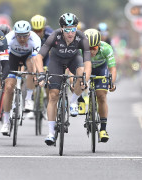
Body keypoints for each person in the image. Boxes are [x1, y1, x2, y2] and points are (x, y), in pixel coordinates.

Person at [33, 13, 91, 145]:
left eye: (73, 29)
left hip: (73, 60)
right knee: (53, 95)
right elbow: (38, 57)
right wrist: (41, 73)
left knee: (81, 73)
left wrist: (84, 80)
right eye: (67, 29)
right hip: (56, 61)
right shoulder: (55, 36)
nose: (70, 33)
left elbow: (87, 61)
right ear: (61, 28)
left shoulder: (82, 37)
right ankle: (51, 133)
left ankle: (73, 102)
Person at [0, 20, 42, 135]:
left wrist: (36, 75)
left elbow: (35, 59)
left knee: (31, 68)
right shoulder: (8, 38)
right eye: (19, 36)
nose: (22, 39)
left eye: (25, 36)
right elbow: (4, 59)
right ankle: (6, 121)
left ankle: (28, 98)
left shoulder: (35, 39)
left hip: (27, 57)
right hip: (12, 57)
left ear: (29, 34)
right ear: (15, 34)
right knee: (9, 87)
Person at [83, 29, 117, 142]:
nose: (92, 51)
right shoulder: (80, 48)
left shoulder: (106, 48)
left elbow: (112, 68)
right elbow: (74, 67)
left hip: (101, 69)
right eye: (89, 48)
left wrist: (112, 82)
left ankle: (103, 129)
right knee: (78, 83)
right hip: (85, 68)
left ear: (99, 44)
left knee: (101, 96)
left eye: (94, 48)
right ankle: (80, 101)